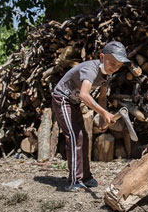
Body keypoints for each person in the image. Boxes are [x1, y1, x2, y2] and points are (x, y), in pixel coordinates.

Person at [51, 41, 131, 191]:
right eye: (112, 63)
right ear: (102, 57)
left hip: (72, 101)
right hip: (62, 99)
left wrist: (102, 120)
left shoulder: (106, 75)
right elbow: (84, 94)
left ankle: (85, 177)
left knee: (84, 137)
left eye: (119, 66)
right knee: (75, 136)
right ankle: (75, 180)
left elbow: (102, 98)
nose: (114, 68)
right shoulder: (90, 69)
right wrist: (104, 112)